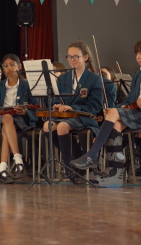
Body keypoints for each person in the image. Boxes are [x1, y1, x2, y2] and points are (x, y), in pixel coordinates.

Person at [71, 38, 141, 182]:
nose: (138, 56)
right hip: (139, 114)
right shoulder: (138, 75)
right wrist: (116, 108)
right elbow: (130, 100)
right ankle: (114, 174)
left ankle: (92, 155)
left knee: (114, 117)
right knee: (116, 124)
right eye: (136, 53)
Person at [43, 41, 104, 183]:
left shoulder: (94, 79)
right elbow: (56, 99)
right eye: (69, 57)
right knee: (48, 126)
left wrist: (74, 108)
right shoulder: (63, 78)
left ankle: (68, 167)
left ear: (86, 57)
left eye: (76, 57)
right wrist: (57, 105)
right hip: (66, 116)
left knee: (63, 126)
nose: (72, 60)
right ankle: (77, 159)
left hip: (85, 115)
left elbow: (95, 105)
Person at [0, 54, 36, 182]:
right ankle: (18, 160)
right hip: (1, 118)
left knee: (6, 130)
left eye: (12, 65)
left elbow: (35, 107)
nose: (9, 68)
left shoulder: (27, 85)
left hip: (20, 119)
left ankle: (3, 169)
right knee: (7, 118)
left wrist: (24, 112)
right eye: (5, 66)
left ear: (19, 66)